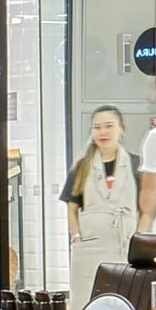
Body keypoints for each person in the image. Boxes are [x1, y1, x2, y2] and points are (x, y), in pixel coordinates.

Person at [60, 105, 141, 292]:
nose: (103, 132)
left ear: (122, 129)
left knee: (123, 294)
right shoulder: (81, 166)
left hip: (124, 244)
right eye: (97, 127)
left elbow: (146, 208)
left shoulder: (136, 164)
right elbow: (72, 208)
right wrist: (76, 238)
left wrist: (139, 239)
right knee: (86, 296)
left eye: (109, 126)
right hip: (89, 246)